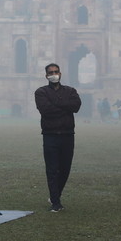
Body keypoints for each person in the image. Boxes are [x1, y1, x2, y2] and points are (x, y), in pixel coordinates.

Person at [35, 63, 81, 212]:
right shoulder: (41, 92)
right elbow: (46, 110)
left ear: (60, 74)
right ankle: (56, 202)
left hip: (67, 135)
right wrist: (65, 106)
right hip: (50, 135)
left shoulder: (70, 90)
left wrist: (56, 103)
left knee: (65, 168)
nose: (53, 74)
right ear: (46, 75)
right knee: (52, 169)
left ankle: (55, 195)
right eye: (50, 72)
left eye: (56, 72)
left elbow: (76, 106)